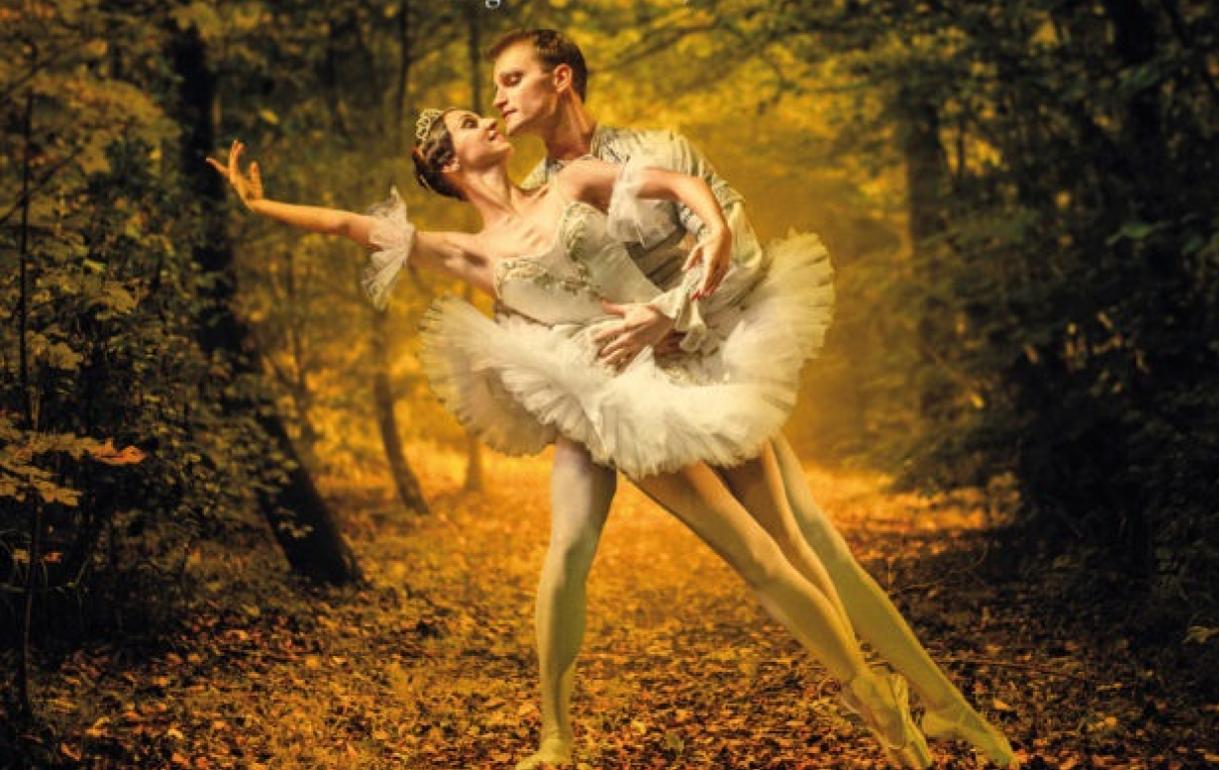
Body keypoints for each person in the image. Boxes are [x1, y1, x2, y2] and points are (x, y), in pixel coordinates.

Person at [206, 104, 931, 767]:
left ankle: (875, 694)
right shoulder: (469, 253)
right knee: (752, 554)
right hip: (622, 395)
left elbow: (677, 184)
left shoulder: (574, 180)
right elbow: (348, 226)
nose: (487, 119)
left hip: (691, 352)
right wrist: (261, 204)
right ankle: (872, 697)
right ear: (446, 163)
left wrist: (713, 231)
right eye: (467, 122)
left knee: (783, 543)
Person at [486, 28, 1016, 770]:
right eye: (497, 86)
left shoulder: (656, 151)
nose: (499, 98)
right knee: (572, 545)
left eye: (512, 79)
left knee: (811, 541)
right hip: (618, 394)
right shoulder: (537, 198)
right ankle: (555, 738)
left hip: (706, 364)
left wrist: (671, 312)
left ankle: (944, 707)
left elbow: (737, 243)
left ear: (562, 78)